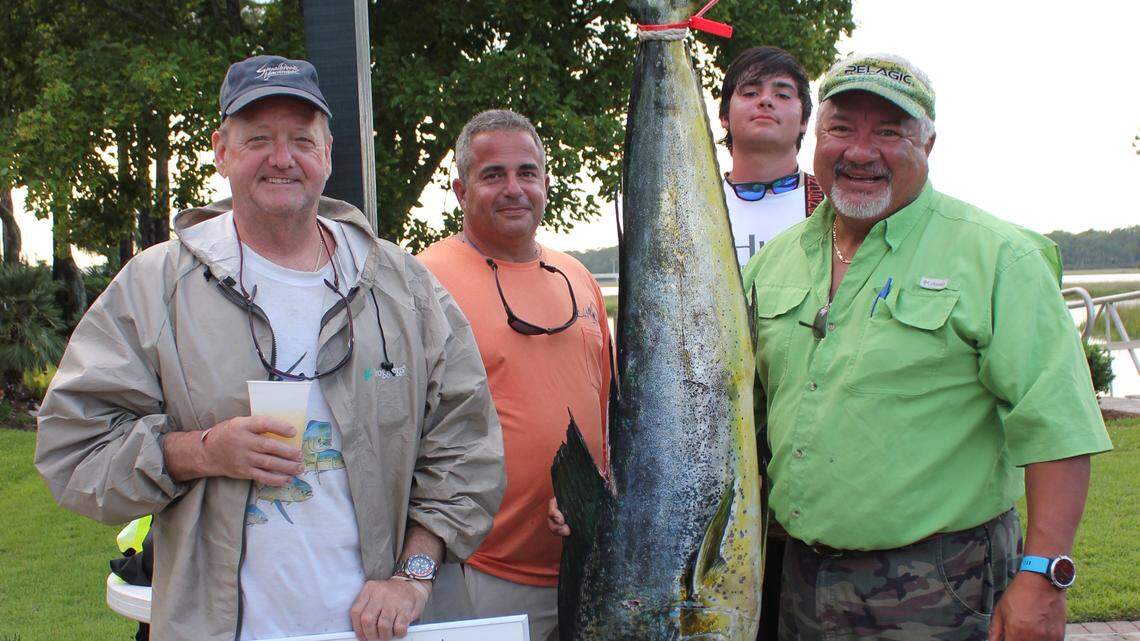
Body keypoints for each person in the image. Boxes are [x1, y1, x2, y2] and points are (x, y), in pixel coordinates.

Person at [34, 54, 505, 641]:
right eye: (258, 138)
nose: (282, 158)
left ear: (327, 154)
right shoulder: (156, 287)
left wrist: (412, 575)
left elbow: (466, 447)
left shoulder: (403, 287)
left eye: (301, 140)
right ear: (221, 151)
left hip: (377, 632)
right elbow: (71, 450)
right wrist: (199, 451)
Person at [741, 53, 1113, 641]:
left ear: (929, 143)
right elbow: (739, 420)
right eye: (842, 128)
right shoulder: (772, 262)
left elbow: (1058, 426)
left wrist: (1044, 577)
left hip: (944, 586)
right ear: (817, 138)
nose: (861, 152)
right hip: (799, 581)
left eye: (889, 132)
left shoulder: (999, 258)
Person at [417, 109, 611, 641]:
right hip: (475, 568)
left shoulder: (579, 277)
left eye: (526, 173)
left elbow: (610, 411)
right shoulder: (423, 281)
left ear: (546, 183)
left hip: (585, 561)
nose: (513, 189)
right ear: (460, 190)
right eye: (492, 175)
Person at [718, 46, 825, 266]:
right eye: (750, 93)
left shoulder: (835, 209)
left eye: (783, 95)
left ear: (804, 120)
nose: (765, 101)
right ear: (724, 116)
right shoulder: (695, 211)